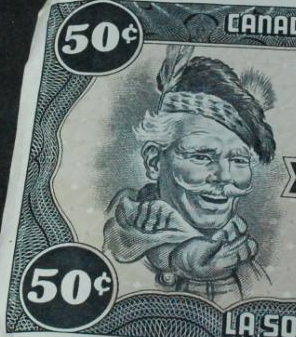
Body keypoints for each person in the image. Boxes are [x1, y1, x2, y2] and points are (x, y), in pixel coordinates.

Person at [104, 48, 275, 301]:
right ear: (154, 161)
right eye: (201, 156)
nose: (224, 176)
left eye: (238, 160)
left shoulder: (244, 260)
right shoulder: (115, 255)